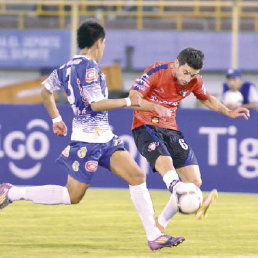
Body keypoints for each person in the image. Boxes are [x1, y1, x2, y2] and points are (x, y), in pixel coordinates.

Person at [0, 19, 185, 251]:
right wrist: (129, 101)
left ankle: (154, 235)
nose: (104, 47)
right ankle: (12, 192)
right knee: (72, 196)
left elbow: (45, 90)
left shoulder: (65, 67)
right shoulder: (89, 68)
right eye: (104, 43)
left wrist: (56, 119)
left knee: (137, 176)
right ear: (98, 43)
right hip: (87, 141)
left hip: (105, 139)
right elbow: (96, 104)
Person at [129, 47, 250, 232]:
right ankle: (179, 191)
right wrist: (154, 106)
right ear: (176, 63)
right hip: (145, 126)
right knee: (166, 163)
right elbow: (133, 98)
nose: (187, 78)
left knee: (194, 183)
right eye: (185, 72)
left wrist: (228, 111)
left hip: (170, 129)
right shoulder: (156, 71)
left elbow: (207, 99)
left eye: (192, 75)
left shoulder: (194, 81)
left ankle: (160, 223)